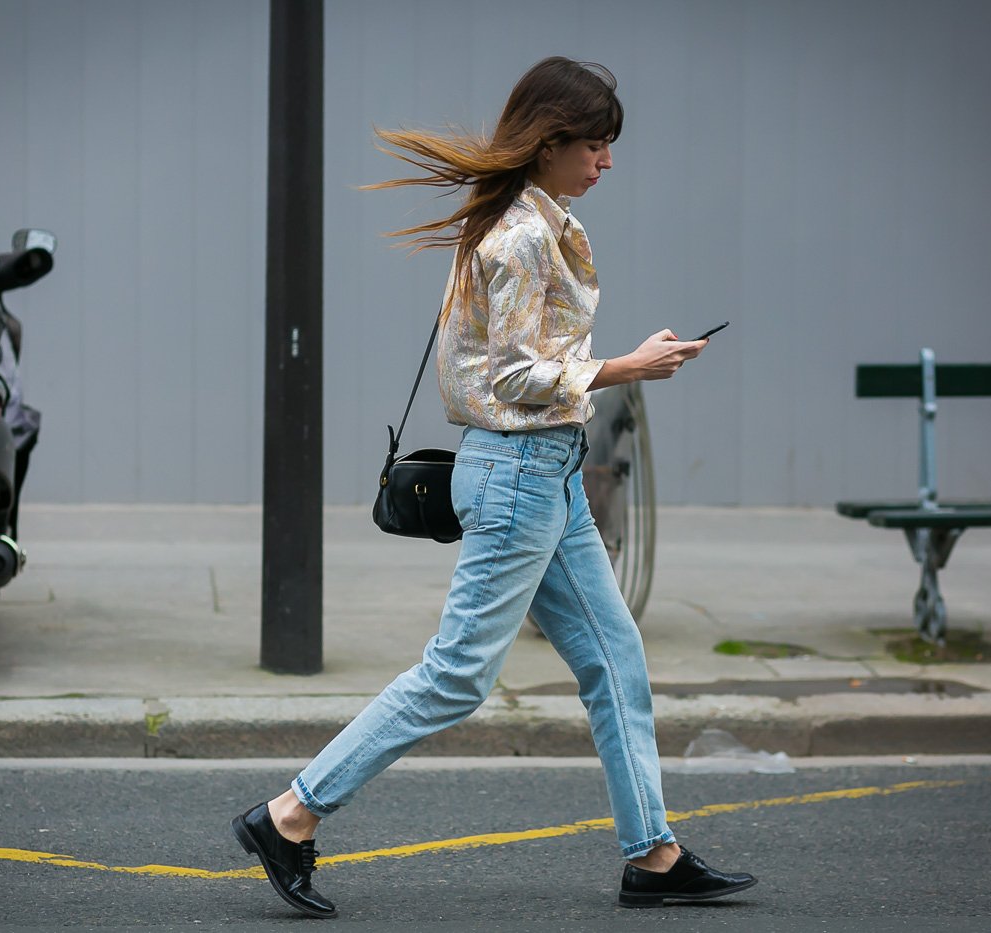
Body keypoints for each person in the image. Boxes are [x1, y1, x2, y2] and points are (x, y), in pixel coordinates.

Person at [232, 56, 757, 918]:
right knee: (458, 676)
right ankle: (289, 814)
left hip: (545, 474)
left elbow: (520, 363)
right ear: (551, 143)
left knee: (613, 658)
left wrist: (615, 365)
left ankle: (654, 855)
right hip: (516, 475)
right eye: (597, 144)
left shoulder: (532, 222)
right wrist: (627, 366)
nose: (608, 162)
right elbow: (514, 375)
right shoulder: (518, 236)